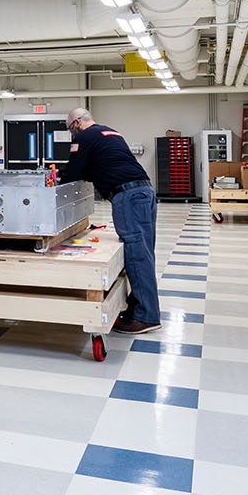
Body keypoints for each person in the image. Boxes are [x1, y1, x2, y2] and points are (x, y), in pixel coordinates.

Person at [59, 107, 162, 334]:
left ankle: (147, 316)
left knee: (137, 255)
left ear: (76, 122)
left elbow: (74, 172)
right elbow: (97, 167)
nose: (72, 134)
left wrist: (58, 179)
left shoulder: (85, 136)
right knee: (144, 253)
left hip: (127, 197)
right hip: (145, 192)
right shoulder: (111, 133)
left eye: (70, 129)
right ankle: (137, 308)